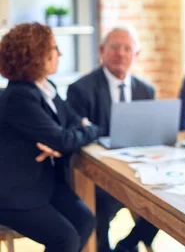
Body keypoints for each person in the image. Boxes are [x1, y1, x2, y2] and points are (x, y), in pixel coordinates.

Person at [0, 23, 100, 252]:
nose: (60, 54)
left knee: (85, 220)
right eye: (55, 48)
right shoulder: (19, 96)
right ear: (37, 55)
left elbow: (70, 124)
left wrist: (67, 136)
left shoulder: (45, 87)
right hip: (14, 191)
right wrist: (91, 130)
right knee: (65, 239)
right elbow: (63, 139)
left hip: (42, 182)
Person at [67, 27, 156, 252]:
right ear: (102, 50)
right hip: (100, 175)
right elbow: (77, 136)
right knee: (100, 206)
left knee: (166, 203)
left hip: (139, 171)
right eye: (115, 47)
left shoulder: (146, 90)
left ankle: (127, 245)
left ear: (136, 55)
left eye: (128, 49)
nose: (121, 54)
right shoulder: (81, 89)